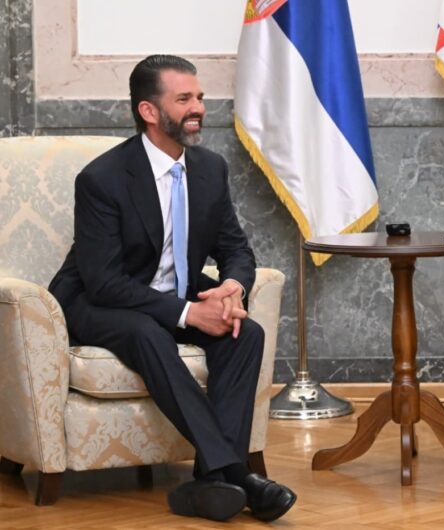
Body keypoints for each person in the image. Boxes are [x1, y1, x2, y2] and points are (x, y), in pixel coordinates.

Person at [49, 54, 296, 523]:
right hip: (98, 300)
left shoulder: (209, 168)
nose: (198, 107)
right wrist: (187, 314)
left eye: (199, 96)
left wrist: (231, 289)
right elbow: (104, 281)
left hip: (171, 293)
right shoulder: (103, 179)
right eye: (183, 99)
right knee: (147, 333)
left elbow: (235, 248)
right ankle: (238, 474)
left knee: (246, 334)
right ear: (149, 110)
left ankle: (211, 484)